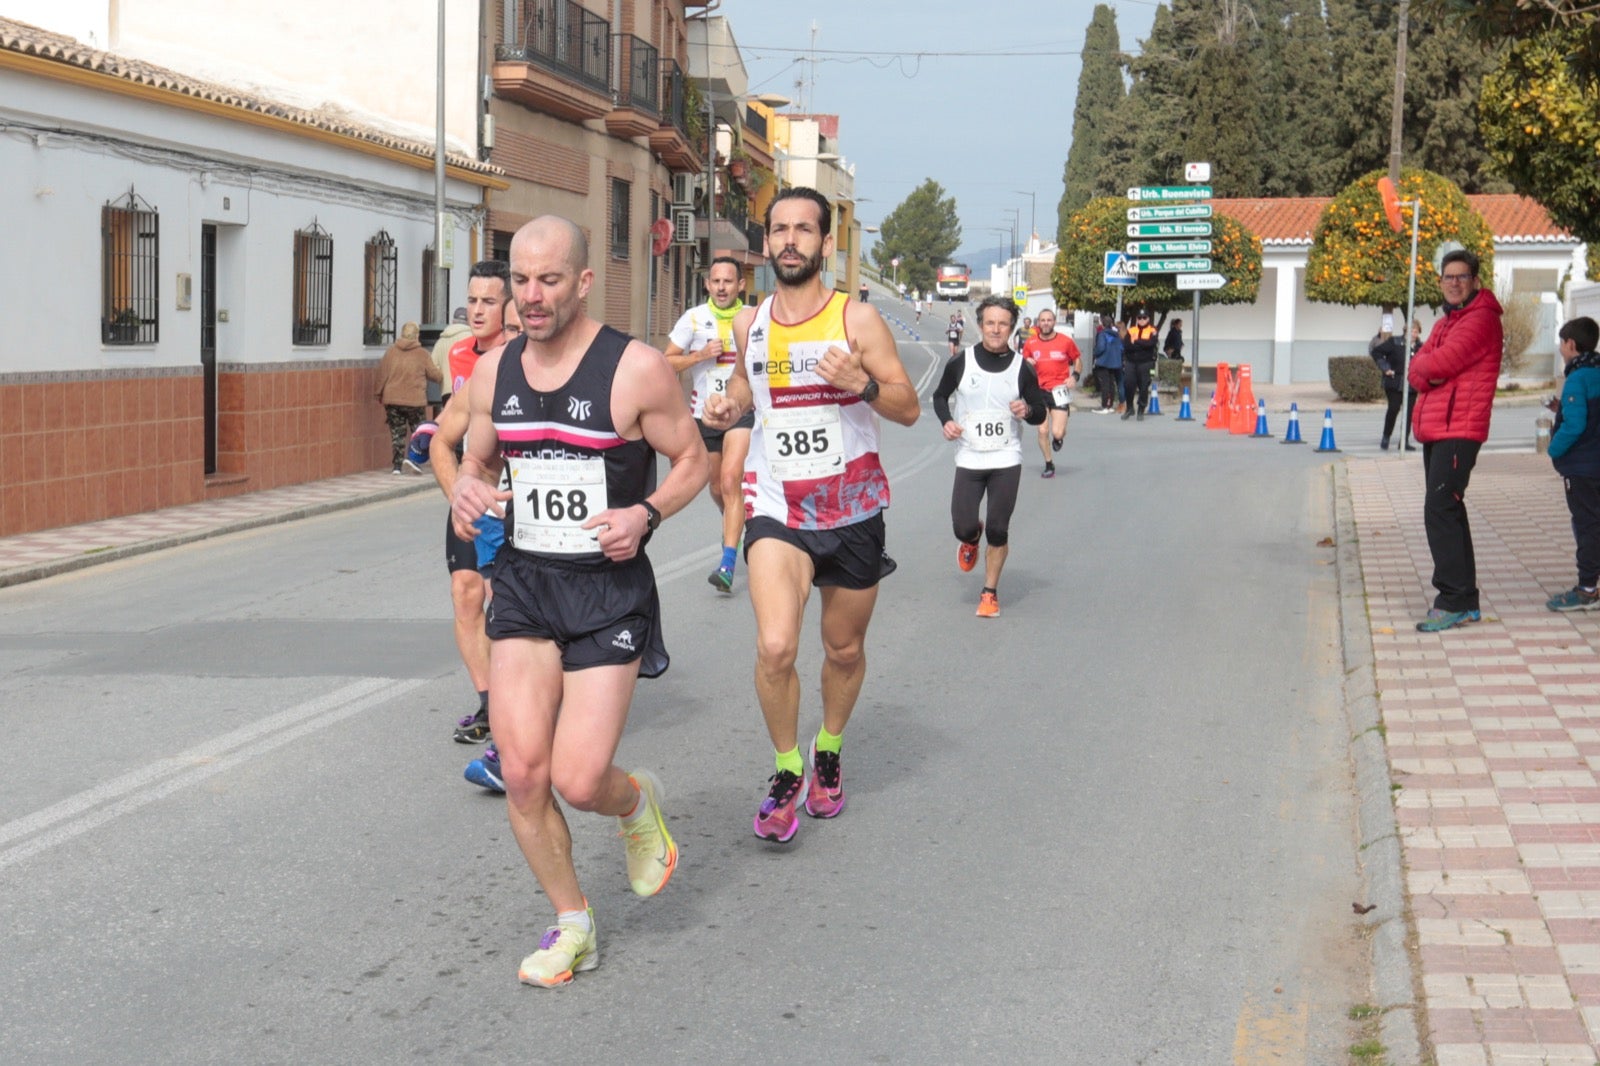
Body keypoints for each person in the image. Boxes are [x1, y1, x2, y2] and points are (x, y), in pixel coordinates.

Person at [450, 215, 708, 987]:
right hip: (527, 583)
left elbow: (691, 460)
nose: (530, 297)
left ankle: (633, 804)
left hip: (607, 590)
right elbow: (477, 449)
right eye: (521, 281)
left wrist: (647, 513)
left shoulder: (634, 369)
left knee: (578, 778)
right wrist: (470, 483)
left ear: (584, 282)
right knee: (524, 772)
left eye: (549, 281)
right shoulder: (496, 370)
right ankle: (573, 924)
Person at [701, 187, 921, 844]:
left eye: (805, 230)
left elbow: (908, 407)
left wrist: (863, 385)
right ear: (766, 243)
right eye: (780, 230)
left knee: (843, 648)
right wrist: (726, 407)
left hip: (852, 509)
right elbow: (748, 384)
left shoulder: (857, 322)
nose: (790, 240)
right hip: (777, 506)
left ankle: (828, 748)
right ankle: (788, 768)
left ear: (827, 244)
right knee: (775, 646)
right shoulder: (751, 322)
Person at [432, 261, 514, 744]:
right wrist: (458, 498)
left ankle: (521, 701)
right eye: (472, 300)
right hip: (471, 491)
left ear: (508, 306)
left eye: (489, 301)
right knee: (466, 594)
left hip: (514, 497)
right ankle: (489, 704)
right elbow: (450, 426)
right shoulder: (460, 354)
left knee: (505, 604)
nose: (477, 310)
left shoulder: (521, 356)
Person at [1407, 248, 1504, 632]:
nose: (1454, 283)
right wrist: (1425, 371)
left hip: (1459, 430)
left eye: (1462, 277)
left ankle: (1453, 600)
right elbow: (1419, 367)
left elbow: (1438, 364)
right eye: (1448, 277)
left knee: (1439, 510)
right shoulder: (1448, 321)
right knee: (1449, 508)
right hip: (1440, 428)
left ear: (1475, 281)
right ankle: (1464, 599)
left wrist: (1426, 371)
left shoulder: (1479, 320)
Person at [934, 295, 1049, 616]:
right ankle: (971, 539)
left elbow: (1040, 413)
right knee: (962, 525)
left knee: (999, 529)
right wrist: (947, 421)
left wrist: (1026, 409)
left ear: (1012, 328)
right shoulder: (961, 362)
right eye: (990, 323)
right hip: (970, 457)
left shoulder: (1022, 369)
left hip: (1005, 458)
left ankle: (989, 592)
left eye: (1002, 324)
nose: (996, 329)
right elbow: (940, 396)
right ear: (980, 324)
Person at [663, 256, 754, 593]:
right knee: (717, 488)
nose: (721, 287)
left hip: (742, 410)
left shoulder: (753, 319)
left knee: (731, 480)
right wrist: (700, 356)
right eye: (715, 281)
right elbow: (666, 361)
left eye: (728, 281)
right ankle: (734, 519)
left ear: (740, 284)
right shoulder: (694, 319)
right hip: (705, 414)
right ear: (707, 285)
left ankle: (727, 564)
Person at [1545, 316, 1600, 612]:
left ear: (1571, 344)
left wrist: (1554, 449)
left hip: (1582, 468)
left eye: (1561, 343)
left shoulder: (1577, 378)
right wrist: (1561, 407)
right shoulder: (1597, 371)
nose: (1560, 349)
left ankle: (1587, 589)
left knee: (1587, 525)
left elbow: (1575, 426)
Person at [374, 322, 441, 473]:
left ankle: (397, 467)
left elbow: (381, 374)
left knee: (397, 433)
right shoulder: (422, 354)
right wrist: (442, 374)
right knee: (418, 431)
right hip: (415, 401)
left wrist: (378, 393)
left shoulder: (391, 352)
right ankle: (413, 460)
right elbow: (434, 375)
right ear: (417, 335)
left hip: (392, 399)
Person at [1022, 308, 1080, 478]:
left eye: (1049, 320)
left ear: (1054, 322)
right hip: (1038, 391)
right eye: (1042, 320)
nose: (1045, 323)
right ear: (1038, 323)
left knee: (1057, 432)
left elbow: (1077, 359)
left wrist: (1074, 376)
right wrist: (1027, 362)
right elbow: (1023, 363)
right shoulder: (1030, 343)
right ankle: (1049, 464)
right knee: (1042, 430)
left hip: (1059, 390)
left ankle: (1058, 438)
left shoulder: (1065, 341)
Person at [1370, 319, 1420, 451]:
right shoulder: (1394, 342)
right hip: (1394, 381)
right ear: (1405, 331)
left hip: (1412, 384)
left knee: (1409, 413)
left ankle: (1404, 441)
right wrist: (1385, 367)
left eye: (1416, 331)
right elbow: (1377, 352)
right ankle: (1386, 436)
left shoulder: (1421, 347)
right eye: (1411, 330)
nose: (1413, 334)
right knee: (1393, 408)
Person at [431, 306, 470, 417]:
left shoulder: (441, 341)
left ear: (453, 322)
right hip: (467, 389)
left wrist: (443, 378)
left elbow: (433, 367)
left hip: (447, 391)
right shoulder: (472, 338)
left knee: (450, 422)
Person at [1122, 308, 1159, 421]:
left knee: (1143, 386)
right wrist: (1142, 345)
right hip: (1131, 362)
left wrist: (1137, 342)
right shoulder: (1131, 330)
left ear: (1148, 318)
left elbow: (1150, 344)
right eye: (1139, 318)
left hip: (1145, 363)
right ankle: (1129, 408)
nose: (1142, 320)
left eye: (1144, 318)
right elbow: (1127, 345)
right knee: (1128, 384)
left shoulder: (1152, 330)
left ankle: (1141, 409)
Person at [1091, 313, 1124, 414]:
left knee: (1104, 384)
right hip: (1114, 363)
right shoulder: (1117, 335)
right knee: (1111, 384)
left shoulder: (1102, 334)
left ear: (1102, 324)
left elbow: (1100, 348)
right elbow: (1121, 349)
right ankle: (1110, 406)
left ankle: (1104, 406)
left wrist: (1095, 353)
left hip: (1104, 362)